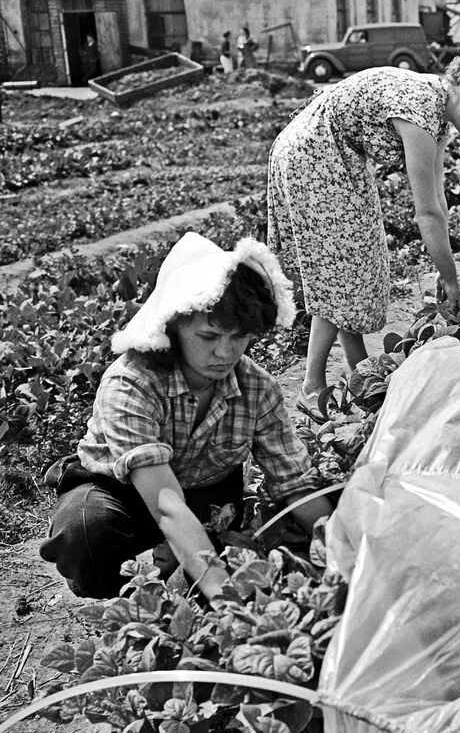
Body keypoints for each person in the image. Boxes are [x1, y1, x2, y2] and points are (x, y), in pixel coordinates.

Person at [39, 232, 333, 601]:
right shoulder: (131, 383)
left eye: (239, 336)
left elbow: (295, 484)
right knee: (86, 534)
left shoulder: (258, 388)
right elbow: (166, 504)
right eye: (208, 336)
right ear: (173, 325)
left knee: (192, 582)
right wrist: (223, 592)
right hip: (120, 491)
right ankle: (112, 599)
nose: (225, 352)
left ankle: (173, 586)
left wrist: (339, 547)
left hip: (203, 490)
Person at [267, 52, 460, 410]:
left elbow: (438, 199)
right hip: (313, 156)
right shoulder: (419, 115)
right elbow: (426, 213)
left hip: (341, 157)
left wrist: (445, 265)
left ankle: (361, 373)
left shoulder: (438, 117)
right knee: (339, 273)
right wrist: (450, 278)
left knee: (357, 263)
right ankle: (311, 385)